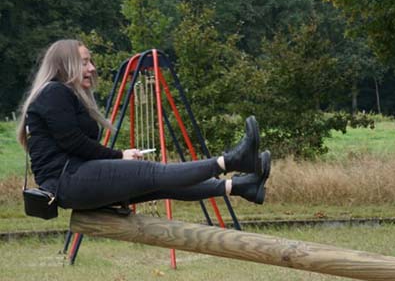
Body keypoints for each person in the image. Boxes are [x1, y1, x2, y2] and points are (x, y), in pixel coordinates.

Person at [17, 39, 270, 211]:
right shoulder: (53, 92)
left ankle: (240, 187)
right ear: (65, 64)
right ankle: (232, 161)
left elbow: (75, 146)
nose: (92, 68)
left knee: (160, 184)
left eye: (90, 61)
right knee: (153, 172)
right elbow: (74, 142)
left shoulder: (61, 95)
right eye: (84, 62)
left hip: (72, 181)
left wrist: (118, 157)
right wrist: (119, 155)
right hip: (67, 181)